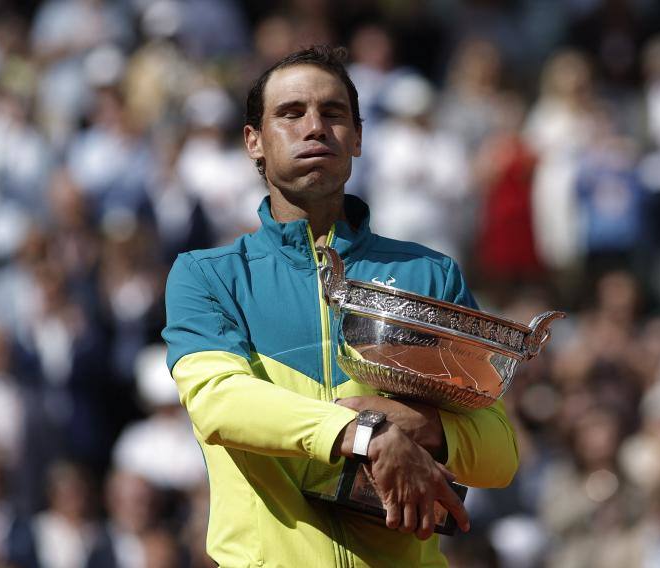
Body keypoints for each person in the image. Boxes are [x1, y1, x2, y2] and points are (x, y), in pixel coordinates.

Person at [162, 45, 519, 567]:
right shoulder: (207, 274)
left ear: (356, 137)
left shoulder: (431, 273)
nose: (315, 128)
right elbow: (219, 403)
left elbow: (499, 452)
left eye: (333, 114)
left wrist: (417, 428)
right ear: (253, 142)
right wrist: (365, 436)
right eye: (291, 114)